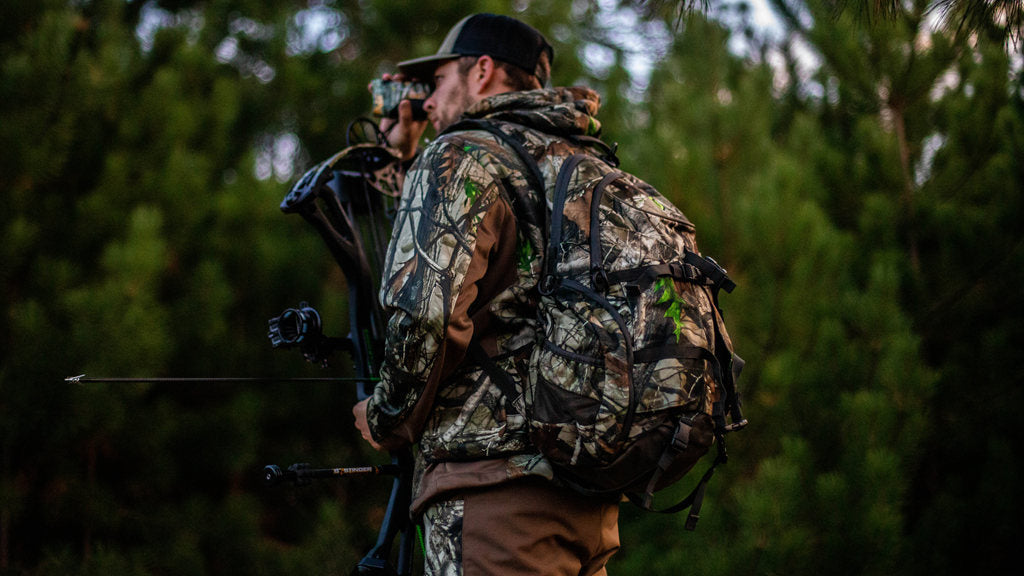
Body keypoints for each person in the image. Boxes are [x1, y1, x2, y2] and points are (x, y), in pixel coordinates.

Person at [352, 13, 620, 576]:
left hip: (495, 503)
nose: (427, 103)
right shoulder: (586, 167)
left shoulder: (462, 156)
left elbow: (427, 313)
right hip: (589, 508)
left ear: (481, 71)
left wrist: (385, 418)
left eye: (440, 80)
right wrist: (399, 159)